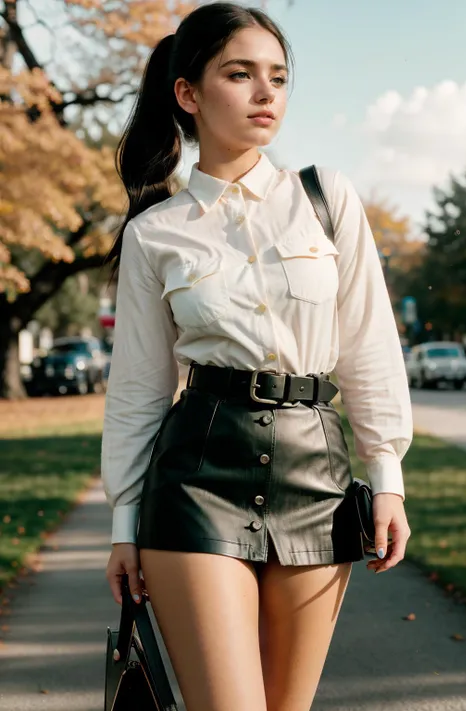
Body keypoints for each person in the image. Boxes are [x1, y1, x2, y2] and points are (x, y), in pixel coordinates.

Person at [101, 3, 413, 710]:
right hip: (196, 482)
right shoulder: (157, 233)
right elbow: (139, 391)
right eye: (239, 74)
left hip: (317, 478)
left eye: (277, 76)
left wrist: (386, 476)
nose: (266, 92)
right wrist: (124, 526)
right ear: (188, 94)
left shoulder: (327, 198)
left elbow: (368, 345)